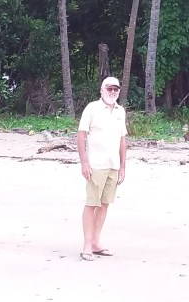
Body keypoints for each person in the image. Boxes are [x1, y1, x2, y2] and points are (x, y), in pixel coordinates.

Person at [76, 76, 127, 261]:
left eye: (115, 89)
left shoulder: (120, 111)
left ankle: (96, 242)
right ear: (102, 90)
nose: (112, 92)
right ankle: (87, 245)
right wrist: (84, 162)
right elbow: (81, 136)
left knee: (104, 204)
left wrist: (122, 167)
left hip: (113, 165)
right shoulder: (92, 108)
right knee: (92, 204)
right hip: (95, 166)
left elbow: (122, 139)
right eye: (109, 88)